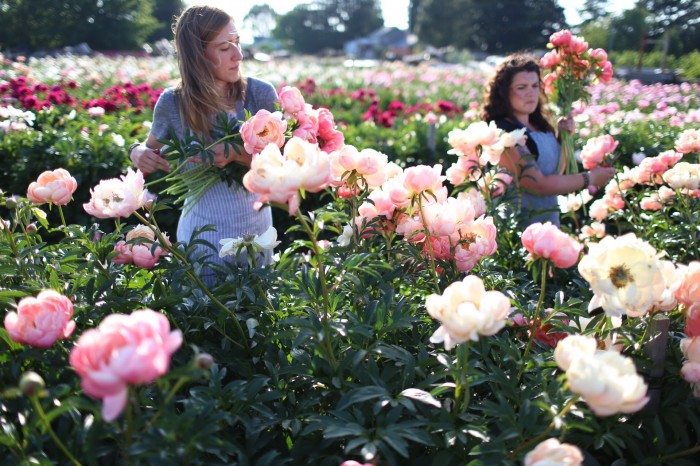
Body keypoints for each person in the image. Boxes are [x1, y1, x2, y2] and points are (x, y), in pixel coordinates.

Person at [128, 5, 278, 284]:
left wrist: (234, 153)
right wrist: (137, 152)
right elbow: (149, 150)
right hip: (203, 234)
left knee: (258, 315)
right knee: (208, 315)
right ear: (198, 55)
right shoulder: (173, 103)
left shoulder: (259, 94)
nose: (239, 55)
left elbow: (282, 163)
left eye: (237, 42)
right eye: (224, 47)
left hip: (256, 228)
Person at [480, 52, 615, 227]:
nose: (531, 93)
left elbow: (556, 171)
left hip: (548, 219)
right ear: (504, 93)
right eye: (522, 87)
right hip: (519, 224)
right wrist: (589, 179)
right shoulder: (503, 131)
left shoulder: (539, 125)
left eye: (535, 85)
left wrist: (564, 137)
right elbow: (538, 185)